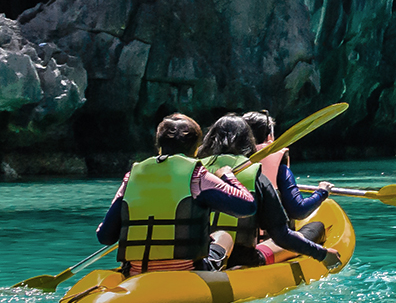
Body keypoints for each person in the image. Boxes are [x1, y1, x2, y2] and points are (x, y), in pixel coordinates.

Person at [96, 113, 257, 276]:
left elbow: (105, 236)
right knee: (223, 235)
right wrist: (227, 175)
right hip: (187, 272)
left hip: (136, 272)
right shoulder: (197, 176)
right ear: (195, 148)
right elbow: (247, 206)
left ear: (159, 145)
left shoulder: (131, 177)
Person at [198, 114, 341, 269]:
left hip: (201, 256)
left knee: (222, 237)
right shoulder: (255, 175)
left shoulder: (196, 171)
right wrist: (322, 254)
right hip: (245, 259)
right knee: (315, 228)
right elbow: (281, 235)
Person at [243, 110, 332, 221]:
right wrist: (322, 192)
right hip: (269, 235)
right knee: (322, 225)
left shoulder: (227, 164)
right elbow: (299, 210)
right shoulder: (279, 169)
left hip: (227, 234)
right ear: (270, 137)